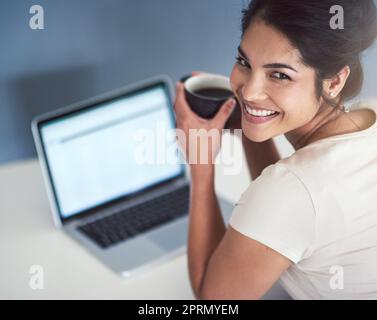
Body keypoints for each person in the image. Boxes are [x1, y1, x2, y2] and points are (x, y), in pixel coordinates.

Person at [173, 0, 377, 299]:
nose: (249, 91)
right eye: (244, 63)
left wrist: (201, 164)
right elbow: (287, 221)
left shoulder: (292, 192)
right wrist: (248, 127)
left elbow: (214, 301)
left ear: (334, 81)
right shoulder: (370, 111)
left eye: (279, 75)